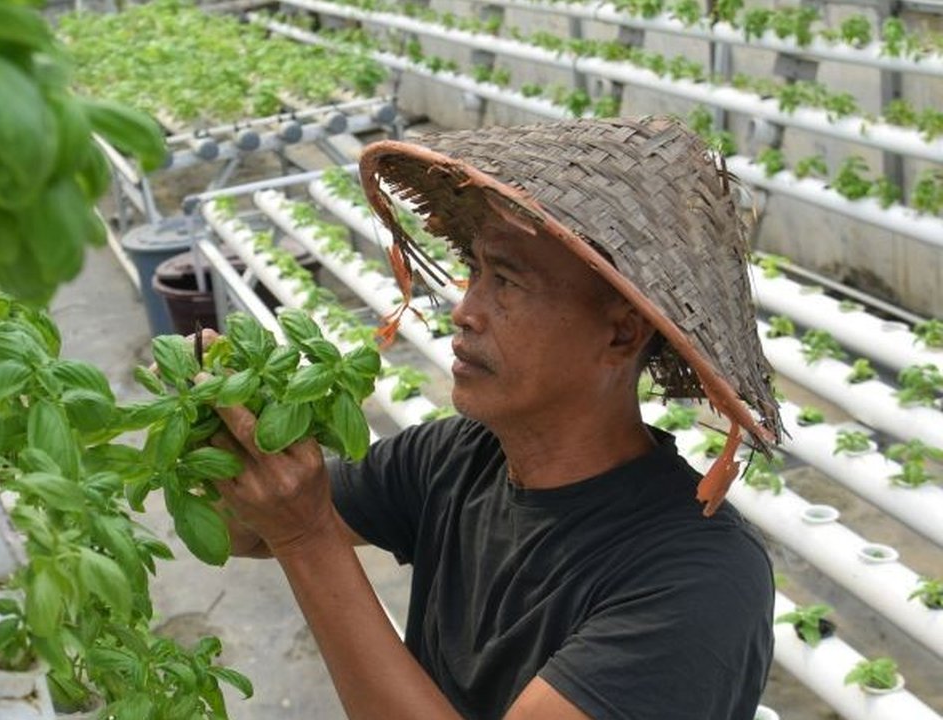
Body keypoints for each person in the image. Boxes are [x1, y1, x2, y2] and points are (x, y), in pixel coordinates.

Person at [208, 117, 783, 720]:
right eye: (477, 271)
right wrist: (221, 434)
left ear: (621, 332)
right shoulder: (457, 457)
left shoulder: (699, 579)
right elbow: (241, 531)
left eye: (506, 280)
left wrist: (306, 538)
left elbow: (294, 529)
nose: (464, 311)